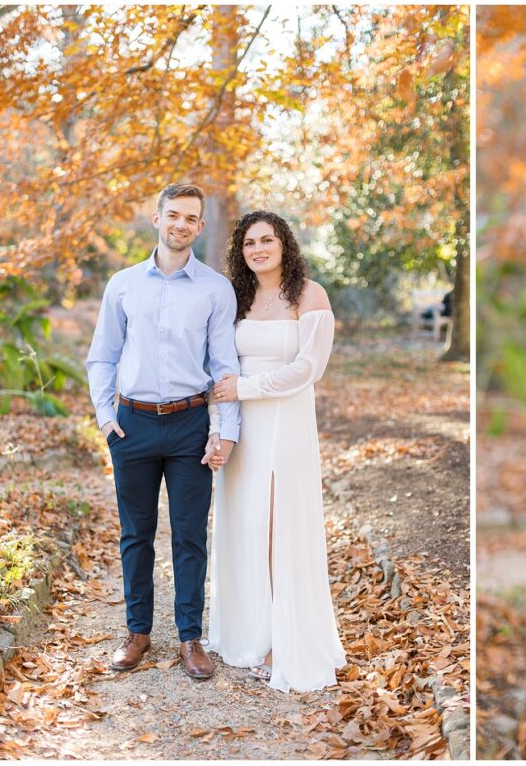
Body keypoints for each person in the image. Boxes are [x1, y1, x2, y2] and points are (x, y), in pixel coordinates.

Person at [86, 183, 241, 680]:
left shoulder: (216, 289)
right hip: (130, 426)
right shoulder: (124, 284)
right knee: (137, 535)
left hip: (190, 425)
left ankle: (190, 639)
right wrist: (106, 418)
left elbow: (224, 367)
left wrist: (226, 432)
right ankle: (137, 634)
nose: (181, 224)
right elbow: (102, 355)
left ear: (200, 226)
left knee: (191, 536)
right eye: (172, 214)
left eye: (191, 217)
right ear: (157, 219)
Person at [205, 210, 346, 693]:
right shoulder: (237, 298)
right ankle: (247, 632)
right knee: (244, 525)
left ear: (284, 244)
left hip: (284, 423)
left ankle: (281, 641)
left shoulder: (310, 295)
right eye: (249, 243)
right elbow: (220, 366)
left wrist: (246, 387)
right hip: (243, 428)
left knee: (276, 528)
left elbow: (309, 368)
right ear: (240, 251)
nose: (258, 249)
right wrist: (221, 423)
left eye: (267, 240)